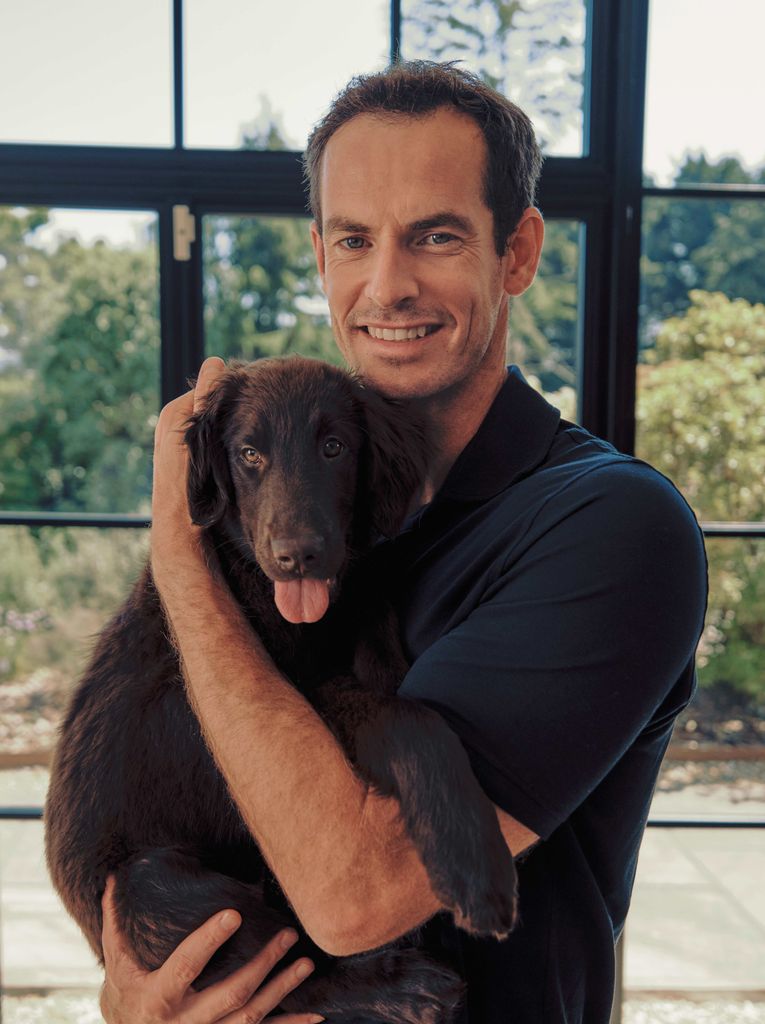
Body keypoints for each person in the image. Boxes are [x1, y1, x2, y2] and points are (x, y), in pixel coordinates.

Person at [99, 61, 707, 1023]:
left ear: (516, 253)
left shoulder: (613, 527)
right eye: (354, 239)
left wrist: (177, 556)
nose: (386, 286)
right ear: (320, 257)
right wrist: (147, 990)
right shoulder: (319, 517)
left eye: (434, 236)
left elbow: (354, 897)